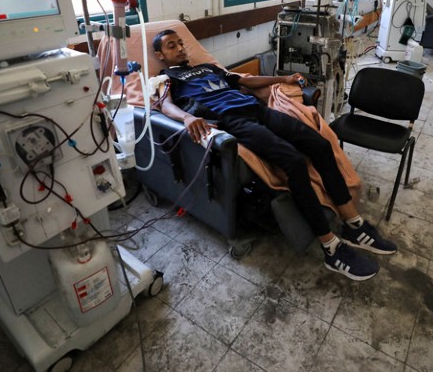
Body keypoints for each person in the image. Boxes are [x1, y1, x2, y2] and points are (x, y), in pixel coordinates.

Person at [152, 29, 397, 281]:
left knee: (320, 145)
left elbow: (245, 81)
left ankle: (353, 223)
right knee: (294, 161)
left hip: (257, 110)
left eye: (181, 43)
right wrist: (188, 117)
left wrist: (283, 79)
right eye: (172, 46)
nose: (181, 48)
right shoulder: (166, 77)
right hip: (234, 121)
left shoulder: (208, 68)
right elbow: (165, 104)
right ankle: (330, 247)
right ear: (160, 55)